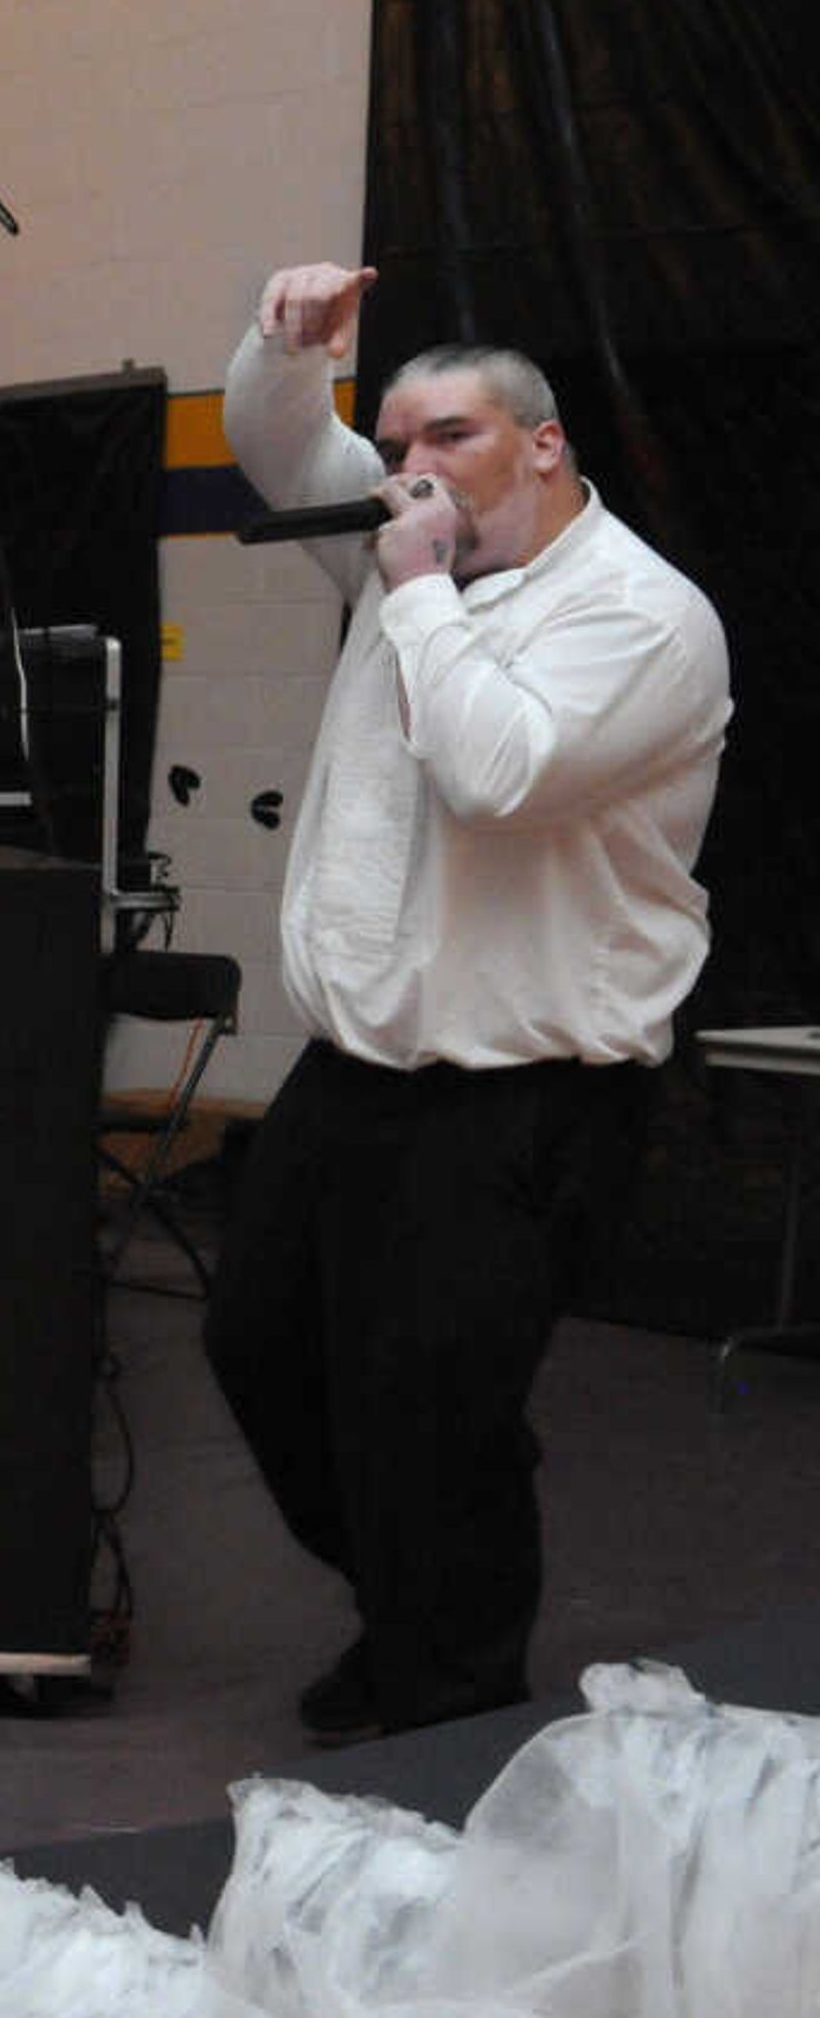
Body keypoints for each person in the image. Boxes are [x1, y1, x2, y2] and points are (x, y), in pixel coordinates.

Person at [202, 262, 730, 1745]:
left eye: (454, 439)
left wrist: (419, 593)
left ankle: (455, 1708)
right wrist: (278, 342)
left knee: (434, 1412)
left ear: (545, 445)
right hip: (359, 1071)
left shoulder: (641, 615)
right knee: (260, 1347)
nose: (413, 473)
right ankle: (411, 1608)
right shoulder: (401, 566)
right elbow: (276, 438)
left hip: (523, 1092)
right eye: (399, 444)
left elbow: (499, 777)